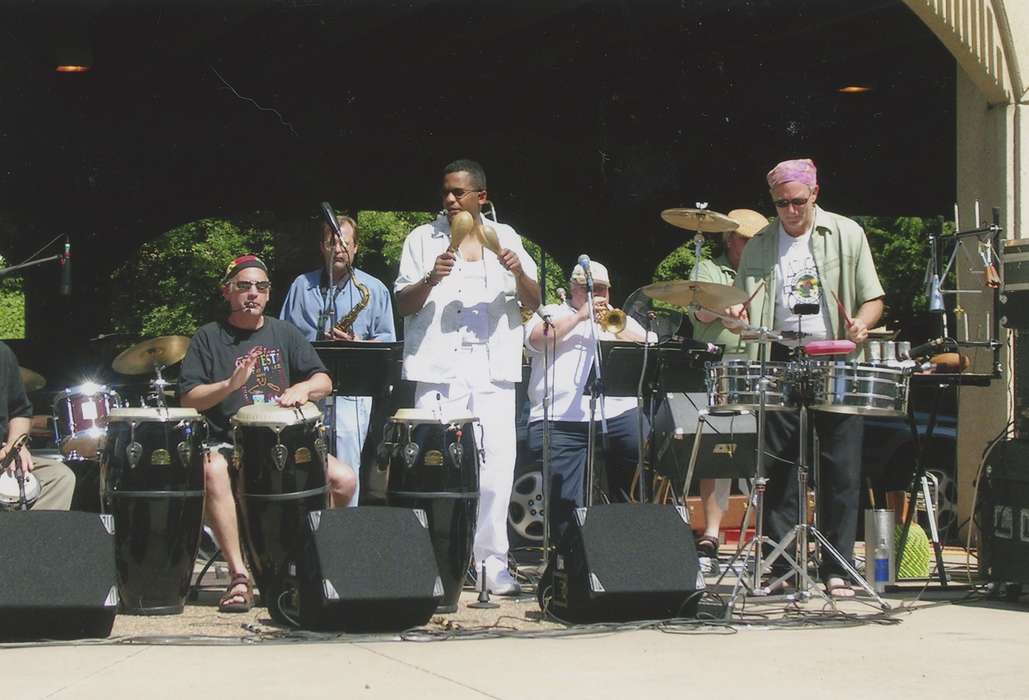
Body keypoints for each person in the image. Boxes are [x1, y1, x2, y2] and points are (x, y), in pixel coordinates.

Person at [726, 158, 884, 597]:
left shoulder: (847, 233)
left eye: (797, 201)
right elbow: (743, 303)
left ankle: (836, 565)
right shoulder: (759, 244)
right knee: (777, 462)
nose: (790, 211)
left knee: (840, 463)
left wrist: (862, 325)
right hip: (778, 353)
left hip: (834, 354)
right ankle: (782, 564)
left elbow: (873, 297)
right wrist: (737, 313)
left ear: (815, 193)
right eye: (781, 203)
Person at [395, 159, 540, 595]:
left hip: (492, 370)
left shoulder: (507, 237)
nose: (450, 199)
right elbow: (403, 304)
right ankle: (439, 561)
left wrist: (517, 270)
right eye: (446, 192)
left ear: (482, 196)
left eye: (459, 192)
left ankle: (491, 562)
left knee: (497, 467)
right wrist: (429, 278)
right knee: (436, 468)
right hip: (440, 369)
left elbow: (534, 299)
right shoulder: (423, 239)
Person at [180, 254, 357, 612]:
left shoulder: (284, 332)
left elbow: (323, 378)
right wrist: (230, 385)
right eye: (243, 286)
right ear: (226, 292)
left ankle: (314, 562)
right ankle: (239, 576)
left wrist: (304, 389)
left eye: (261, 287)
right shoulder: (208, 337)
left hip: (287, 445)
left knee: (344, 479)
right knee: (211, 469)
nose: (253, 294)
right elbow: (189, 398)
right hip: (231, 443)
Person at [524, 260, 650, 540]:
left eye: (602, 291)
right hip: (560, 418)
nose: (596, 297)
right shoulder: (553, 313)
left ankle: (629, 538)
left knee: (641, 444)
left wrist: (614, 326)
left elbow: (649, 346)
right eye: (587, 290)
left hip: (616, 414)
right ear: (573, 289)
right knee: (564, 502)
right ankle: (572, 555)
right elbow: (536, 340)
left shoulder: (620, 318)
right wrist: (580, 317)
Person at [280, 213, 395, 506]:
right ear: (323, 247)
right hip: (307, 390)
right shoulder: (300, 286)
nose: (340, 249)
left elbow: (387, 344)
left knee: (347, 466)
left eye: (346, 243)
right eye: (333, 242)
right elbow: (282, 338)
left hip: (353, 392)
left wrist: (357, 344)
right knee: (303, 461)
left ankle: (343, 536)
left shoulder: (374, 289)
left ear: (356, 249)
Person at [689, 209, 766, 565]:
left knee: (764, 451)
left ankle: (766, 534)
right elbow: (699, 308)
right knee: (719, 452)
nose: (751, 246)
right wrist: (724, 309)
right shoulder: (708, 268)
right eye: (745, 239)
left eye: (756, 240)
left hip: (762, 366)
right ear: (729, 239)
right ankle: (711, 534)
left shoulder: (766, 270)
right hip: (720, 368)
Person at [0, 343, 74, 510]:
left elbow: (20, 412)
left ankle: (26, 535)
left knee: (58, 477)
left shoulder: (2, 354)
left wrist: (15, 444)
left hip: (3, 457)